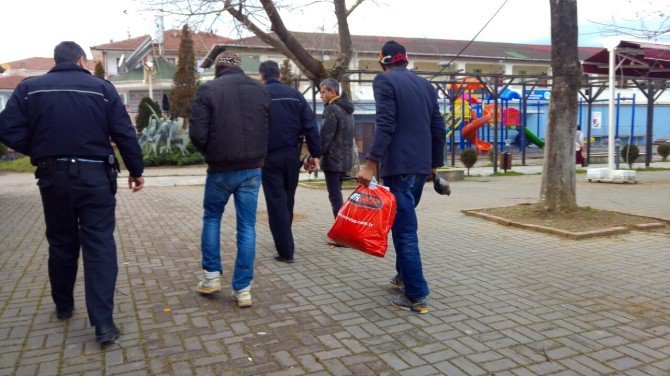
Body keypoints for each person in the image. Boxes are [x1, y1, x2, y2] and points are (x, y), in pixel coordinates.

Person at [0, 41, 145, 344]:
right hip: (96, 179)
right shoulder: (102, 89)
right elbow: (124, 133)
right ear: (81, 61)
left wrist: (39, 150)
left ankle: (63, 305)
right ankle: (104, 325)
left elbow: (7, 128)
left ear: (57, 61)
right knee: (100, 245)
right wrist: (135, 170)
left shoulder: (30, 88)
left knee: (61, 241)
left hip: (53, 177)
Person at [356, 41, 445, 314]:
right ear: (405, 60)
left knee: (405, 231)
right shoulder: (426, 86)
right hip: (420, 168)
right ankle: (403, 277)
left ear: (384, 62)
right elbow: (438, 126)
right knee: (401, 223)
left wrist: (370, 164)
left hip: (399, 168)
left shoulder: (384, 82)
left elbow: (385, 124)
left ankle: (416, 295)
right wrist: (433, 165)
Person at [189, 51, 271, 307]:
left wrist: (210, 153)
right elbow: (270, 126)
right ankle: (243, 289)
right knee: (247, 226)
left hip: (220, 168)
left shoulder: (208, 89)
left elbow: (197, 133)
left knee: (212, 217)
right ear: (240, 67)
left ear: (219, 68)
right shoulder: (260, 90)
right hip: (252, 168)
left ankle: (212, 276)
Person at [258, 60, 321, 263]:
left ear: (261, 76)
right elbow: (311, 126)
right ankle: (286, 238)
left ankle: (285, 250)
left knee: (276, 202)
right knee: (288, 199)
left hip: (268, 156)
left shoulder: (259, 94)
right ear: (280, 76)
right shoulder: (296, 96)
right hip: (291, 157)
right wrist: (315, 154)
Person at [319, 78, 356, 218]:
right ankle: (343, 228)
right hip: (345, 160)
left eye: (323, 92)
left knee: (335, 197)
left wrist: (314, 154)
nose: (321, 95)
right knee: (337, 196)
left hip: (333, 161)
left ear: (332, 92)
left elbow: (325, 138)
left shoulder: (331, 109)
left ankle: (341, 231)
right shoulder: (347, 109)